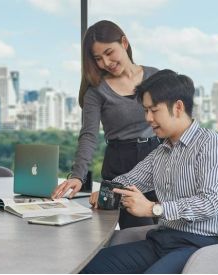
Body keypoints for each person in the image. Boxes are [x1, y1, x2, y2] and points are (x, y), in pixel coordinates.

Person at [81, 69, 218, 274]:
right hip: (163, 241)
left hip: (203, 244)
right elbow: (130, 179)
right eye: (145, 110)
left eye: (153, 110)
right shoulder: (162, 151)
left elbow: (210, 202)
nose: (147, 118)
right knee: (90, 266)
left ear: (178, 107)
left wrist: (153, 209)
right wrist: (105, 191)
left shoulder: (212, 145)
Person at [51, 20, 159, 229]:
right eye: (98, 58)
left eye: (110, 52)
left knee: (170, 225)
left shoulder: (155, 76)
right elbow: (89, 135)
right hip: (120, 162)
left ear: (124, 43)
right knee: (140, 233)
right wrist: (78, 176)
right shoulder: (96, 91)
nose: (106, 62)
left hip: (158, 156)